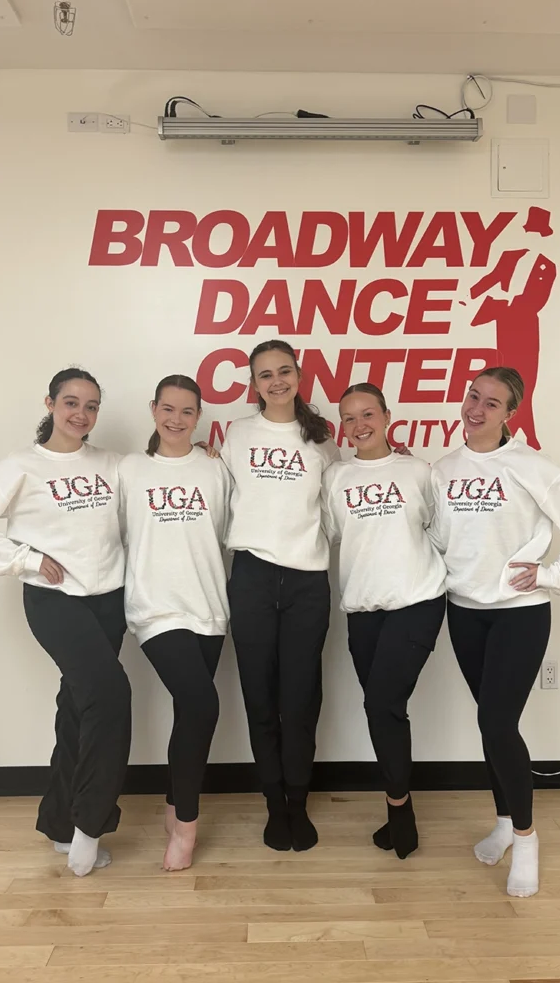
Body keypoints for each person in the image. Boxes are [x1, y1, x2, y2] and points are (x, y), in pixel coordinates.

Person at [428, 366, 560, 897]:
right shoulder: (443, 469)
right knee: (491, 726)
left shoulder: (531, 465)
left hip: (519, 612)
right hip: (464, 610)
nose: (476, 409)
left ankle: (528, 839)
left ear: (510, 414)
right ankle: (505, 822)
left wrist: (554, 575)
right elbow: (441, 538)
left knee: (496, 720)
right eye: (472, 397)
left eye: (492, 403)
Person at [0, 368, 129, 877]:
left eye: (92, 406)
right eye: (71, 402)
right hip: (56, 601)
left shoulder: (111, 463)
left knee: (77, 704)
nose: (81, 414)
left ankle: (58, 823)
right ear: (49, 404)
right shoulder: (22, 464)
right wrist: (27, 559)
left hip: (108, 599)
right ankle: (90, 829)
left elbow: (157, 479)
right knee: (110, 696)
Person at [220, 339, 340, 851]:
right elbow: (218, 498)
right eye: (265, 375)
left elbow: (335, 515)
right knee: (260, 697)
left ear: (298, 375)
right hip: (251, 576)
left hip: (307, 583)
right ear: (253, 384)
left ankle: (298, 801)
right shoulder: (237, 436)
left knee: (301, 699)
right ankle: (274, 804)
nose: (276, 382)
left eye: (284, 371)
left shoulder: (322, 441)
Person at [322, 383, 446, 859]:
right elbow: (332, 537)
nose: (359, 426)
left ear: (387, 415)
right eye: (349, 418)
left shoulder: (418, 471)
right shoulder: (335, 478)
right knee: (386, 710)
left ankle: (399, 810)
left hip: (417, 603)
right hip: (363, 610)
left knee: (381, 705)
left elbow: (444, 531)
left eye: (367, 414)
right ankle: (399, 806)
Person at [119, 374, 231, 872]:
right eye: (168, 408)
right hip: (155, 609)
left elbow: (226, 532)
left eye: (187, 411)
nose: (176, 419)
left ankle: (171, 801)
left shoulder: (215, 470)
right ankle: (186, 827)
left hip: (208, 609)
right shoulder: (130, 470)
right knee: (204, 705)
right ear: (153, 409)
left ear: (199, 416)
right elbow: (109, 533)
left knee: (191, 713)